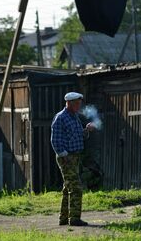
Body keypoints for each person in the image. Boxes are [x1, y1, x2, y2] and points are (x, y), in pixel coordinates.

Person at [50, 91, 95, 226]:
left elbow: (79, 136)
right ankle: (74, 219)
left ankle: (63, 219)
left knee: (67, 187)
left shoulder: (74, 117)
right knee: (76, 188)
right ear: (68, 103)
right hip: (66, 157)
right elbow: (55, 140)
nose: (79, 106)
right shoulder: (60, 118)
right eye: (76, 104)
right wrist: (65, 155)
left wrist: (86, 130)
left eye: (79, 104)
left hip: (74, 157)